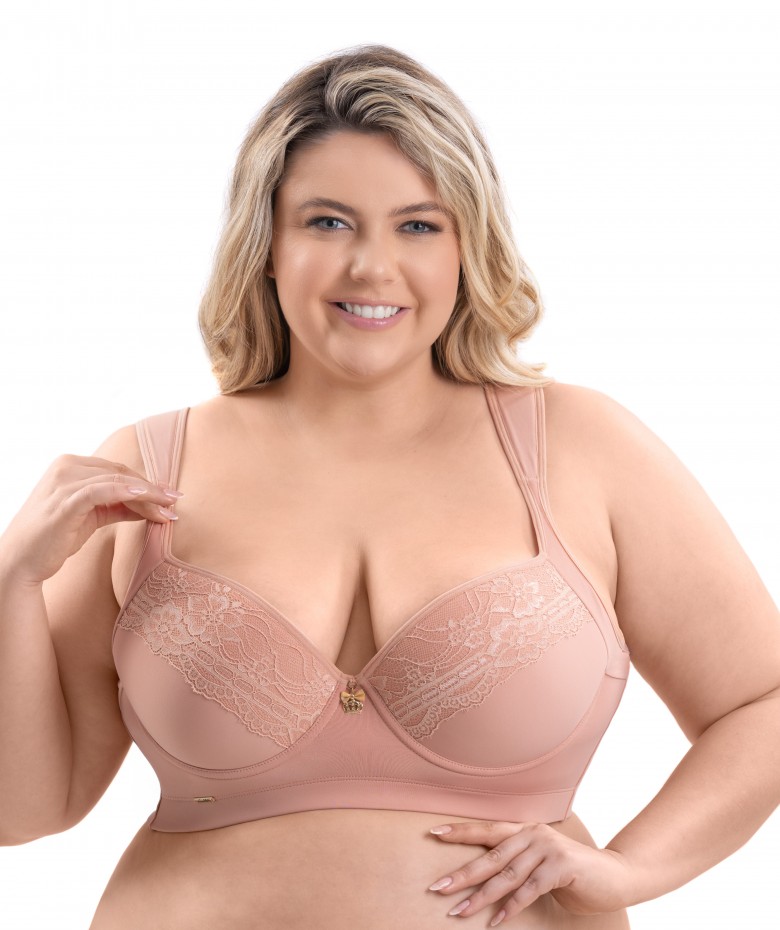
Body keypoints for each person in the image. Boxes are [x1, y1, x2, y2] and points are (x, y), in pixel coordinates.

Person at [0, 43, 778, 930]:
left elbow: (762, 703)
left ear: (467, 246)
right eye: (328, 222)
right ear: (266, 244)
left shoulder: (582, 448)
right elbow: (24, 810)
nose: (372, 267)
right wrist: (13, 578)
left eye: (418, 226)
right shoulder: (146, 472)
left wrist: (633, 868)